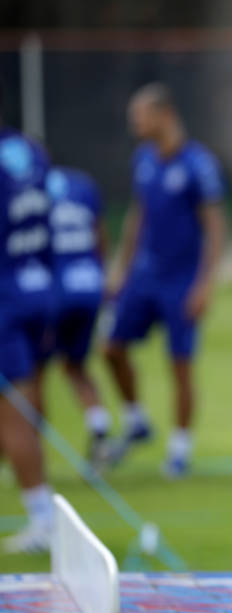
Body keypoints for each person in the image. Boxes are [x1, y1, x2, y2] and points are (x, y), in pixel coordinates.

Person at [104, 83, 228, 478]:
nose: (135, 124)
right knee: (110, 348)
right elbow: (138, 215)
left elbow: (216, 227)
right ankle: (136, 420)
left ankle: (179, 450)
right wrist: (121, 270)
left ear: (164, 115)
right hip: (144, 277)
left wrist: (204, 284)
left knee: (180, 366)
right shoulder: (143, 159)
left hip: (181, 281)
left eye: (140, 116)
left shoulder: (198, 164)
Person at [0, 92, 57, 553]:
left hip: (7, 296)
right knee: (29, 397)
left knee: (12, 412)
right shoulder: (31, 152)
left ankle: (42, 518)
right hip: (39, 285)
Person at [45, 165, 111, 463]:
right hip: (89, 286)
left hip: (54, 289)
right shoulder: (82, 184)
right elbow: (100, 234)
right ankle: (99, 429)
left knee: (30, 374)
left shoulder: (24, 187)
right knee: (76, 367)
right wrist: (102, 275)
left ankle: (27, 452)